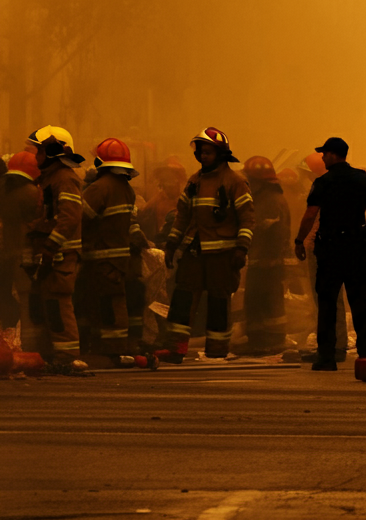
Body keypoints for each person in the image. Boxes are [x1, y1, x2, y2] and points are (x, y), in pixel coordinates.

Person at [293, 137, 366, 370]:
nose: (322, 158)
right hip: (356, 249)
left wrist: (299, 241)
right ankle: (365, 354)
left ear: (332, 155)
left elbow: (310, 215)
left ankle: (327, 357)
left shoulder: (323, 182)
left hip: (330, 251)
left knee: (327, 304)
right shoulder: (362, 179)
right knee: (359, 302)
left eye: (324, 154)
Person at [162, 127, 256, 362]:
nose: (203, 156)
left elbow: (247, 218)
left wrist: (241, 248)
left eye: (208, 152)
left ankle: (217, 350)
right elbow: (182, 216)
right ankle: (175, 348)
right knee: (182, 300)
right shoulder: (194, 181)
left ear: (220, 154)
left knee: (218, 302)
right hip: (194, 251)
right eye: (201, 152)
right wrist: (172, 243)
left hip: (222, 255)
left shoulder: (235, 182)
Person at [77, 139, 147, 364]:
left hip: (100, 258)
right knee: (114, 301)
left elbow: (80, 219)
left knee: (103, 304)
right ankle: (115, 346)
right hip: (119, 258)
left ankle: (108, 349)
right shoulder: (126, 189)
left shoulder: (99, 188)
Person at [22, 126, 85, 363]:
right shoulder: (49, 179)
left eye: (40, 151)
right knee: (44, 305)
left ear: (53, 152)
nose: (36, 156)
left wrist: (50, 246)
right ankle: (47, 355)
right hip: (49, 255)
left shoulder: (65, 179)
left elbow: (70, 217)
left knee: (58, 304)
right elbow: (46, 217)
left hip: (61, 255)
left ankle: (67, 356)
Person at [241, 155, 291, 354]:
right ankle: (258, 340)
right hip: (261, 262)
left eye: (249, 179)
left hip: (267, 264)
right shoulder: (264, 198)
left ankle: (271, 340)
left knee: (268, 302)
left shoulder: (270, 201)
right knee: (256, 301)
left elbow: (273, 232)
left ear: (258, 181)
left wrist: (268, 259)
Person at [0, 151, 41, 332]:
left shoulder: (3, 188)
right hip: (23, 253)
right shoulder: (32, 192)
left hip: (4, 250)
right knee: (25, 298)